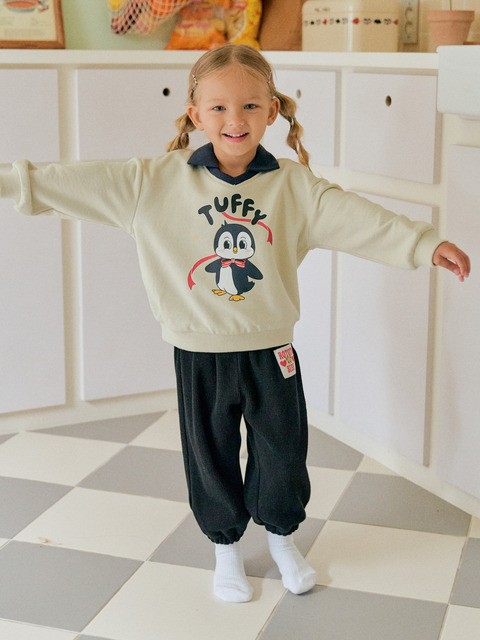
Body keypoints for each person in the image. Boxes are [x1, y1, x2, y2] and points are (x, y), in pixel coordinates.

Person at [0, 45, 470, 604]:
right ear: (195, 115)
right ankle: (226, 550)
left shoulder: (293, 186)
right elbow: (71, 182)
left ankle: (282, 540)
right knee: (210, 453)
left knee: (282, 452)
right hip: (199, 354)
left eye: (249, 105)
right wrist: (10, 182)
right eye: (219, 107)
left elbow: (358, 218)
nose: (235, 119)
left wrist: (422, 243)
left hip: (272, 351)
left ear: (272, 111)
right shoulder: (153, 181)